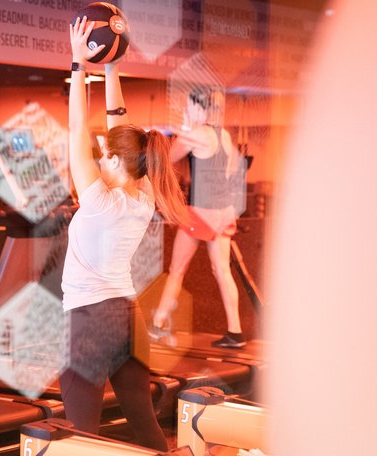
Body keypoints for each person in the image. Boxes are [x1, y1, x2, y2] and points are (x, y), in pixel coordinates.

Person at [59, 17, 188, 451]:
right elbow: (120, 126)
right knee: (147, 427)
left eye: (104, 153)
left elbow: (78, 129)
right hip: (126, 321)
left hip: (89, 322)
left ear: (115, 163)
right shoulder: (144, 195)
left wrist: (79, 65)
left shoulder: (99, 200)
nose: (97, 152)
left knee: (82, 437)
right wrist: (111, 68)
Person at [152, 87, 246, 349]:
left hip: (201, 211)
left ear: (196, 108)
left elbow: (165, 160)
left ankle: (158, 323)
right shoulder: (224, 135)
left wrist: (182, 129)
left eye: (188, 106)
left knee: (177, 270)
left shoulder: (193, 135)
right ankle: (235, 331)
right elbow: (229, 171)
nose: (186, 111)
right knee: (222, 270)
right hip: (222, 210)